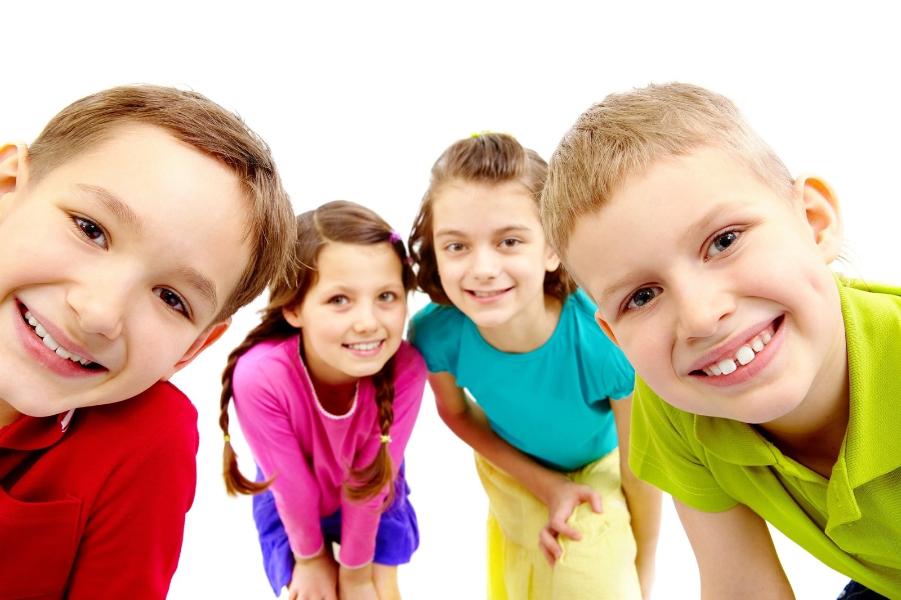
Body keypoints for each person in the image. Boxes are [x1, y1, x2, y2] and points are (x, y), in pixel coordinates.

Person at [540, 82, 901, 599]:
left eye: (724, 241)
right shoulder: (677, 408)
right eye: (642, 297)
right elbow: (741, 585)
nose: (702, 317)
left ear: (814, 224)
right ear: (615, 338)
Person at [0, 85, 295, 599]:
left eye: (170, 298)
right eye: (91, 229)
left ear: (193, 350)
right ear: (7, 186)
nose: (100, 313)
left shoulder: (146, 441)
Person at [408, 133, 661, 599]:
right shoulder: (435, 335)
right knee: (523, 579)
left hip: (599, 465)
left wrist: (641, 573)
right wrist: (546, 487)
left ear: (552, 249)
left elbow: (640, 472)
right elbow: (456, 412)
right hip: (512, 466)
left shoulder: (602, 342)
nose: (482, 268)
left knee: (589, 575)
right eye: (456, 246)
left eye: (509, 241)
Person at [220, 200, 426, 600]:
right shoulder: (260, 376)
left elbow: (370, 484)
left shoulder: (408, 370)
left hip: (375, 495)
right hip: (290, 508)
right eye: (339, 300)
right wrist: (312, 560)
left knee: (376, 592)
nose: (368, 321)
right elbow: (291, 487)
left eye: (386, 296)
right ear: (294, 306)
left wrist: (355, 573)